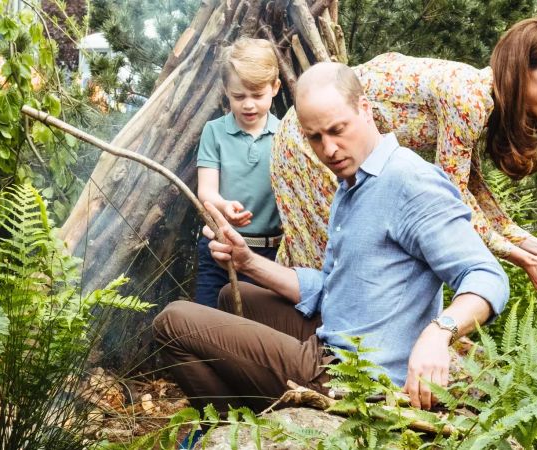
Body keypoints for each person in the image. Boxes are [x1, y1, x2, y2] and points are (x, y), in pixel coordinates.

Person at [154, 63, 509, 429]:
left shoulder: (410, 182)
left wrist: (440, 332)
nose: (330, 149)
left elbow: (486, 276)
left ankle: (233, 428)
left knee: (172, 321)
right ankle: (252, 415)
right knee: (232, 295)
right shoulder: (353, 182)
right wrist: (248, 262)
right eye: (315, 137)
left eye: (338, 130)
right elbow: (335, 287)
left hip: (354, 378)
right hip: (339, 335)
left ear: (366, 110)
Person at [271, 18, 537, 295]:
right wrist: (515, 254)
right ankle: (318, 352)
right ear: (523, 69)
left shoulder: (480, 97)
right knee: (334, 259)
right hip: (308, 137)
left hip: (323, 136)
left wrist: (529, 243)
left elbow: (472, 187)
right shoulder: (468, 98)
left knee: (328, 255)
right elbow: (453, 196)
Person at [194, 38, 283, 308]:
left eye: (257, 95)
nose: (248, 105)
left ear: (275, 88)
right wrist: (223, 206)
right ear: (226, 91)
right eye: (239, 96)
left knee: (256, 332)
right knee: (209, 325)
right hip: (219, 247)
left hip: (269, 253)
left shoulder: (285, 136)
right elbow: (206, 191)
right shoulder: (215, 132)